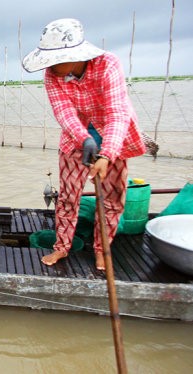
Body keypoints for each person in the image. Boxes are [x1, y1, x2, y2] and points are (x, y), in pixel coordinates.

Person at [22, 18, 146, 270]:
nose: (52, 66)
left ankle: (102, 250)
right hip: (75, 138)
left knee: (112, 199)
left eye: (57, 60)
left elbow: (117, 113)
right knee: (68, 197)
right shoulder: (53, 75)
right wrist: (84, 138)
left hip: (115, 137)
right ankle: (62, 248)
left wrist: (107, 154)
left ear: (76, 56)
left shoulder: (107, 64)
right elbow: (63, 111)